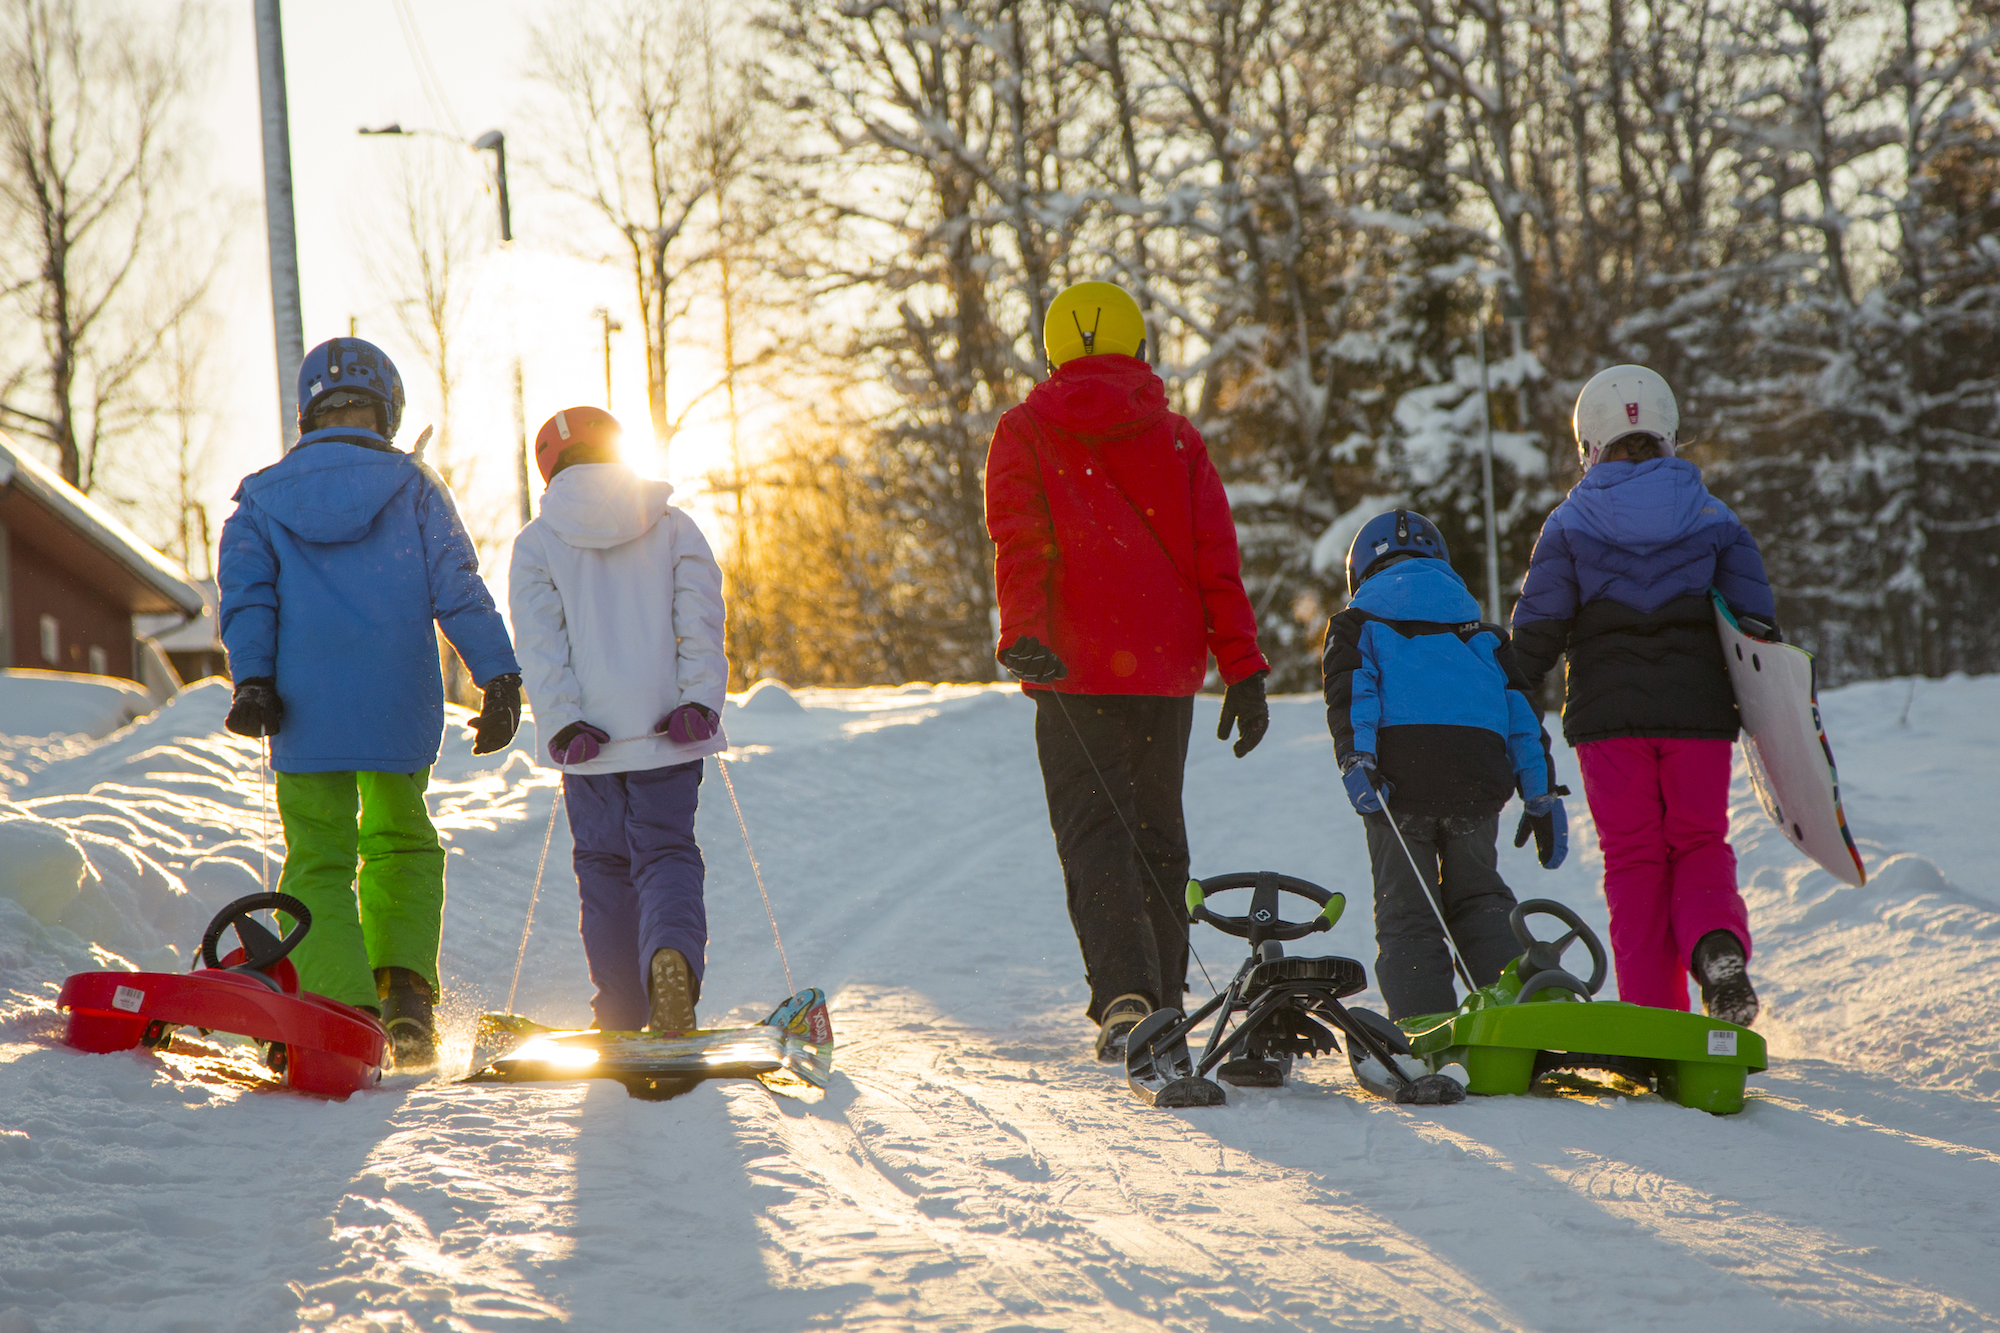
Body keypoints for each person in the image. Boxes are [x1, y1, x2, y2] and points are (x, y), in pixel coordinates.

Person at [985, 279, 1271, 1062]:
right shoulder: (1177, 437)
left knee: (1094, 834)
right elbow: (1218, 556)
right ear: (1139, 349)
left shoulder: (1025, 429)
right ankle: (1168, 996)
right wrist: (1241, 666)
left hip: (1072, 666)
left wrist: (1026, 633)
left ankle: (1126, 997)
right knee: (1157, 831)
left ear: (1052, 354)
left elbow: (1021, 540)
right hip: (1163, 667)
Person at [218, 337, 522, 1068]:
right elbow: (459, 584)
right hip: (395, 701)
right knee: (399, 841)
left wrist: (253, 679)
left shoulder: (260, 498)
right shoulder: (415, 487)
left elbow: (248, 597)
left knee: (319, 856)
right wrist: (499, 675)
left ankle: (339, 1010)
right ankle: (404, 997)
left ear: (308, 412)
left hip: (302, 703)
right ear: (386, 411)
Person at [1511, 365, 1778, 1025]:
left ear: (1591, 443)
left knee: (1634, 860)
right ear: (1666, 431)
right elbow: (1759, 629)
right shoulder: (1715, 517)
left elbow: (1535, 635)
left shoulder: (1570, 522)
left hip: (1609, 723)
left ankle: (1653, 1019)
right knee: (1698, 841)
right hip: (1698, 717)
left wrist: (1508, 702)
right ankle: (1715, 946)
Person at [508, 406, 728, 1033]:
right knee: (666, 854)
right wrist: (699, 702)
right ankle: (670, 963)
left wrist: (562, 722)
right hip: (668, 734)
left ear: (549, 467)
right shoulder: (671, 524)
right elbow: (701, 621)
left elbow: (541, 645)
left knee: (604, 868)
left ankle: (622, 1009)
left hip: (590, 747)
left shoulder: (536, 542)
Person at [1323, 510, 1565, 1020]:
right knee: (1479, 898)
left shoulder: (1357, 622)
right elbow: (1521, 716)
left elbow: (1353, 696)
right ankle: (1518, 1017)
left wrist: (1357, 759)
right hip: (1475, 776)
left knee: (1408, 911)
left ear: (1361, 571)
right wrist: (1539, 794)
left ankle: (1424, 1026)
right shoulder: (1484, 634)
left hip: (1397, 779)